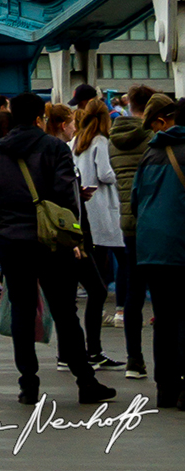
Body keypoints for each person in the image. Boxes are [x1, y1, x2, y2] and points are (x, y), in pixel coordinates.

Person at [0, 90, 113, 406]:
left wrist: (6, 220)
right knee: (64, 311)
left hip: (13, 242)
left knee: (22, 312)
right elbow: (67, 198)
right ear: (40, 118)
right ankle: (85, 381)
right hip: (51, 243)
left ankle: (29, 385)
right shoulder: (54, 148)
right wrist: (75, 240)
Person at [131, 100, 185, 408]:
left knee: (163, 318)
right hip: (181, 246)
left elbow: (136, 200)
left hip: (152, 249)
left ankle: (164, 386)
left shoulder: (151, 152)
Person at [111, 82, 157, 380]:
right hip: (151, 222)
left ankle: (133, 359)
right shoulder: (153, 138)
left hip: (123, 223)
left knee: (132, 295)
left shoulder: (112, 138)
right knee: (163, 295)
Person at [73, 99, 121, 365]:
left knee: (91, 281)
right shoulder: (101, 142)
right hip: (102, 212)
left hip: (83, 212)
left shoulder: (77, 141)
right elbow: (105, 174)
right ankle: (95, 349)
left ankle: (74, 351)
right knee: (99, 286)